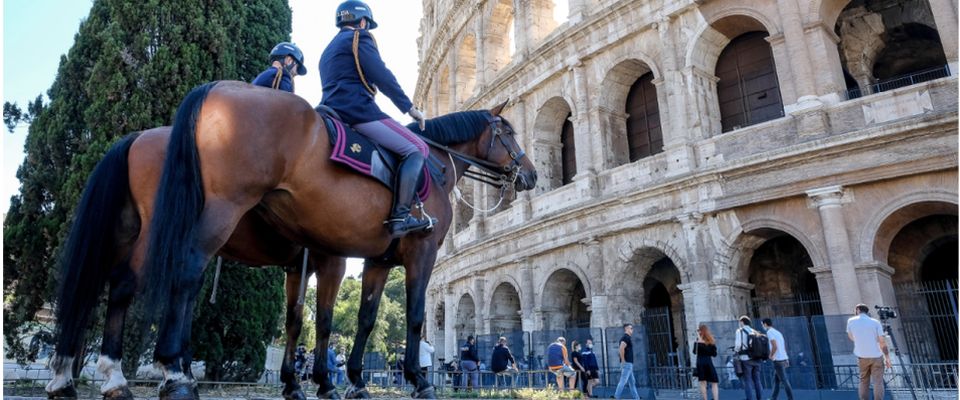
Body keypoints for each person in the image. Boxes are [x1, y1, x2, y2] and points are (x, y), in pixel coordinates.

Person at [320, 1, 434, 238]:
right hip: (357, 111)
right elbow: (381, 75)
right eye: (367, 25)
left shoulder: (328, 48)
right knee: (417, 148)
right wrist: (409, 107)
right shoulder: (360, 38)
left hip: (330, 111)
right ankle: (400, 217)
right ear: (362, 22)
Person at [847, 304, 891, 400]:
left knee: (863, 381)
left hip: (862, 356)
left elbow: (851, 337)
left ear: (858, 310)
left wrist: (861, 341)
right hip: (876, 356)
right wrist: (887, 358)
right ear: (867, 311)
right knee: (878, 382)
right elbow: (882, 342)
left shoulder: (851, 321)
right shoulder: (875, 322)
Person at [763, 318, 794, 400]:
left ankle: (790, 398)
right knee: (776, 380)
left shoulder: (769, 332)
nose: (763, 326)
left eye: (763, 324)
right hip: (783, 359)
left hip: (777, 360)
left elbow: (775, 346)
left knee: (784, 380)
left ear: (765, 324)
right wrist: (786, 358)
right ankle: (773, 398)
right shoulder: (778, 332)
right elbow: (782, 346)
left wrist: (770, 355)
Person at [734, 316, 763, 400]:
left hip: (746, 359)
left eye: (740, 322)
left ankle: (749, 398)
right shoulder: (755, 331)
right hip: (757, 359)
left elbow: (738, 345)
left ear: (742, 322)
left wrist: (736, 350)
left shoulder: (740, 331)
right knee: (757, 380)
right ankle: (759, 398)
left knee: (748, 381)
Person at [693, 325, 719, 400]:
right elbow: (714, 354)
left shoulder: (698, 342)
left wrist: (699, 342)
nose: (698, 332)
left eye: (698, 331)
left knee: (703, 383)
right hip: (708, 362)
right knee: (714, 382)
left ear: (701, 331)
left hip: (700, 362)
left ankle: (705, 399)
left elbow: (694, 352)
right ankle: (716, 399)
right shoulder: (710, 341)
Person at [614, 324, 640, 399]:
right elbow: (621, 348)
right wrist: (623, 360)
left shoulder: (627, 338)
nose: (632, 330)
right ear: (626, 329)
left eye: (632, 328)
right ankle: (616, 397)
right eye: (631, 328)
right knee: (623, 381)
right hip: (627, 363)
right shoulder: (626, 337)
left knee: (632, 382)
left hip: (629, 364)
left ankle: (636, 398)